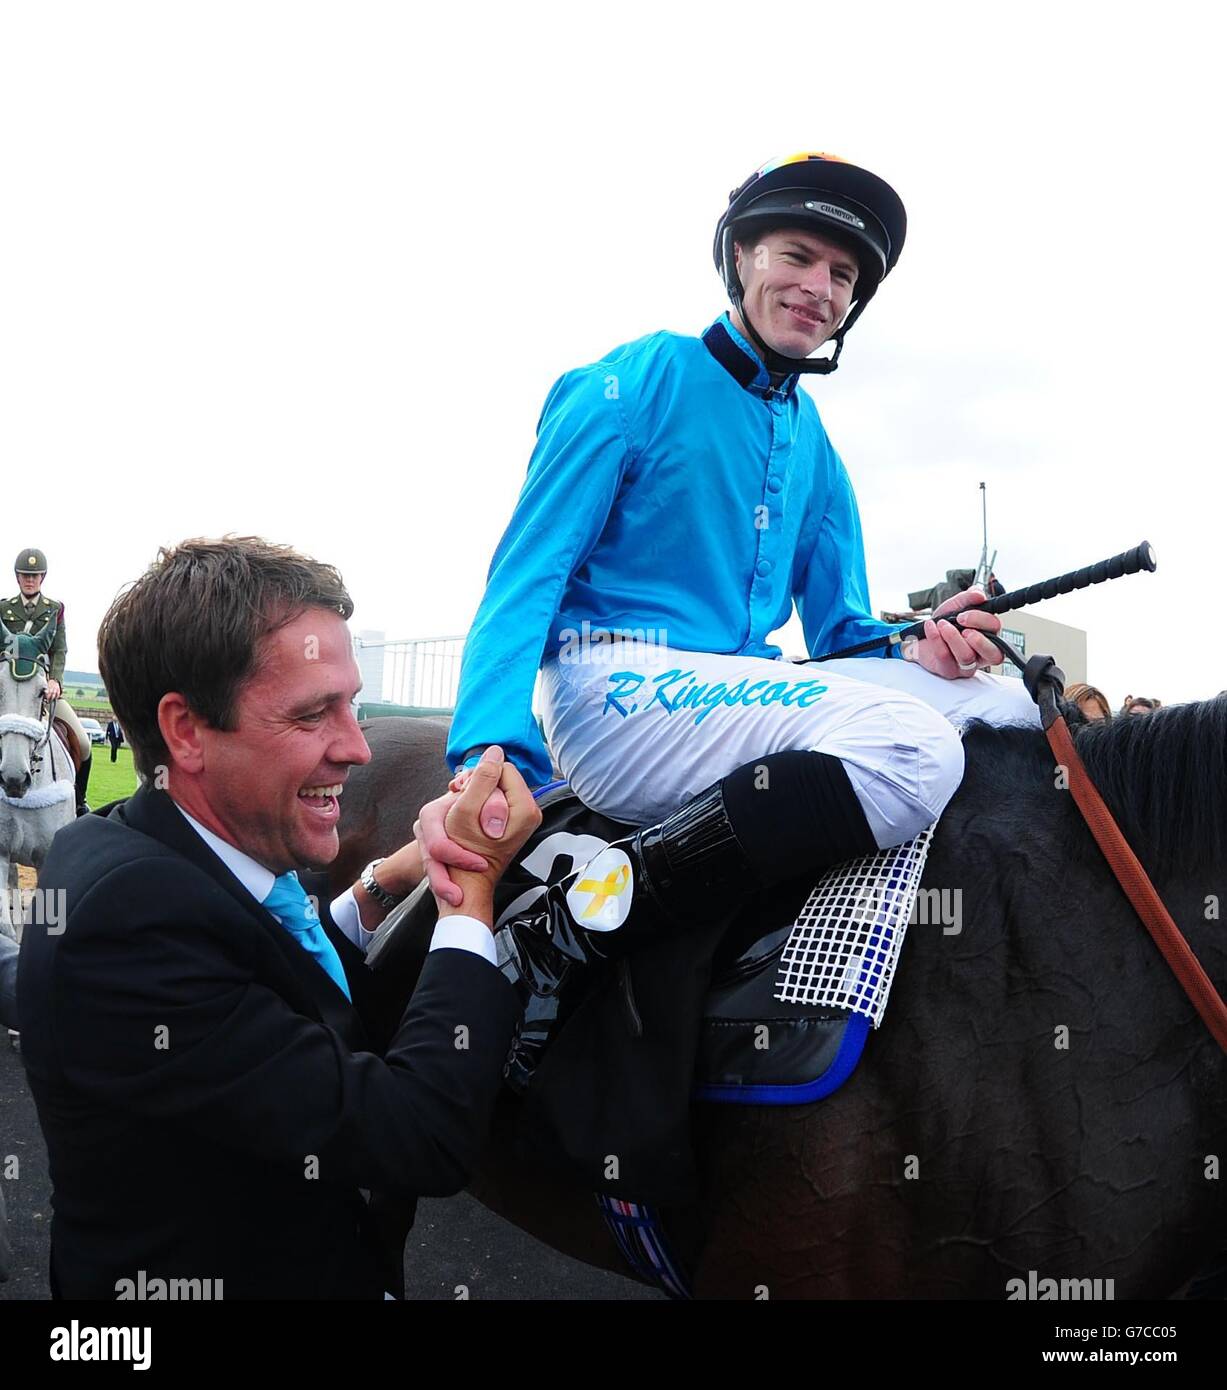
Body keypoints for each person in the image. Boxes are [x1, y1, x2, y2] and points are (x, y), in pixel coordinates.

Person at [422, 152, 1043, 1081]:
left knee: (1009, 710)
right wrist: (489, 748)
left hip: (736, 693)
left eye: (841, 276)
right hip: (612, 691)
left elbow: (840, 634)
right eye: (797, 257)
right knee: (917, 750)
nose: (819, 288)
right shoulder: (628, 383)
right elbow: (525, 580)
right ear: (742, 257)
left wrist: (926, 644)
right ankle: (577, 921)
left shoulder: (818, 447)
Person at [18, 537, 540, 1300]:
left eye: (352, 704)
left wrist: (383, 882)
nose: (357, 746)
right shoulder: (130, 926)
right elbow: (417, 1134)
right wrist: (470, 893)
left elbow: (256, 975)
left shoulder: (128, 846)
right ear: (187, 732)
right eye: (312, 714)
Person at [1, 549, 93, 813]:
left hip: (43, 689)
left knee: (84, 745)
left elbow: (60, 650)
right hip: (9, 691)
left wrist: (55, 681)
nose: (30, 580)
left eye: (35, 575)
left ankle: (79, 801)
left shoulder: (55, 609)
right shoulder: (3, 608)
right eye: (25, 575)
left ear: (42, 577)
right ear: (17, 578)